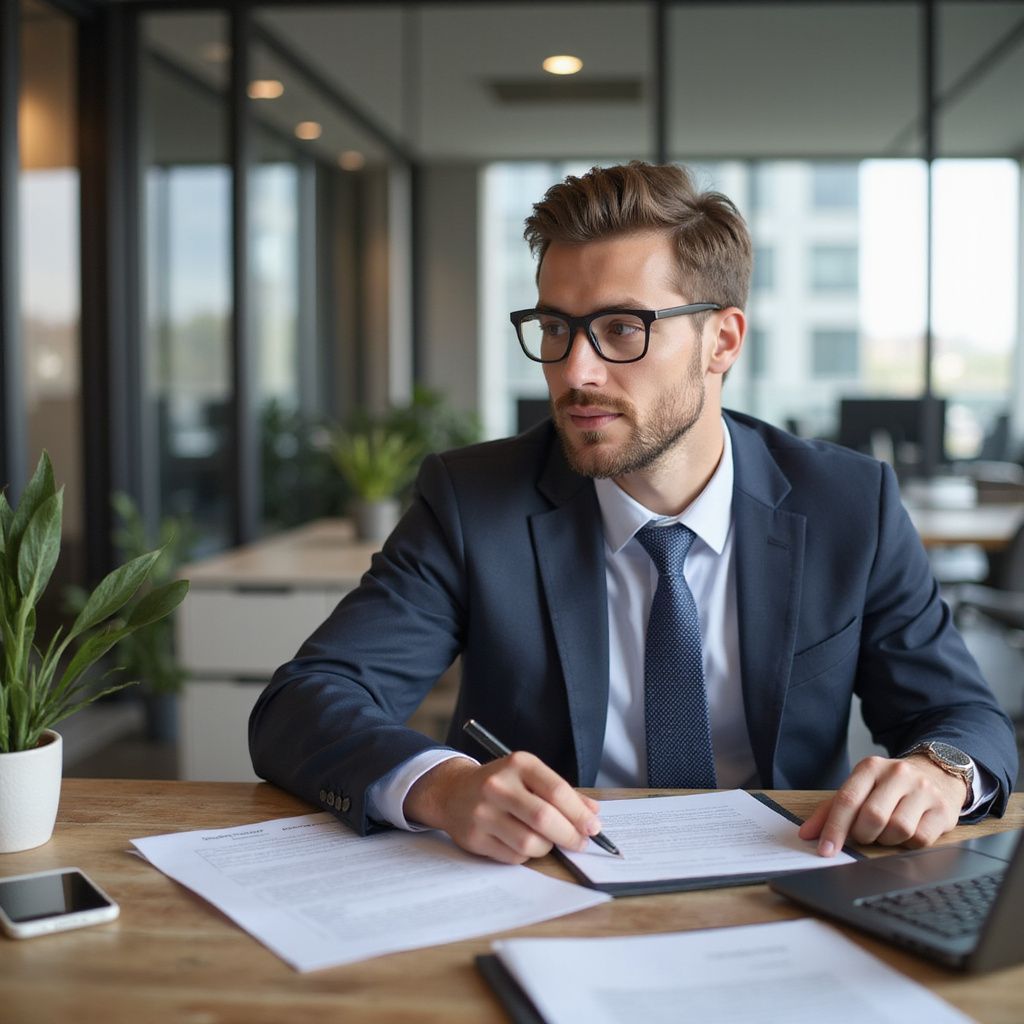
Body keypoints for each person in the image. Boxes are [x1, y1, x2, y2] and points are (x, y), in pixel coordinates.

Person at [249, 162, 1017, 865]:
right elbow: (304, 704)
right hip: (545, 885)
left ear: (722, 340)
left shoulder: (850, 504)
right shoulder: (471, 499)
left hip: (790, 879)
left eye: (622, 328)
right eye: (554, 328)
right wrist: (441, 786)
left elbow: (960, 715)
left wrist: (939, 774)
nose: (573, 372)